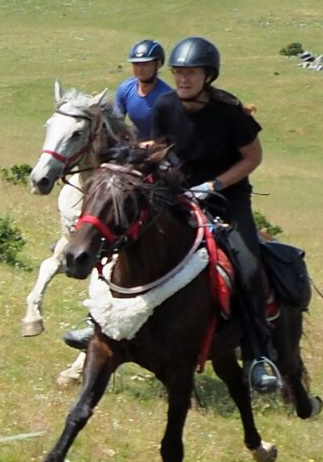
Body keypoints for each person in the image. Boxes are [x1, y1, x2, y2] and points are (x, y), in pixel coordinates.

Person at [66, 36, 281, 395]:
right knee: (125, 241)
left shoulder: (231, 114)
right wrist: (124, 151)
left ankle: (259, 354)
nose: (183, 79)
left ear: (208, 76)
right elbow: (161, 143)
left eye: (191, 73)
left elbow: (252, 158)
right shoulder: (166, 106)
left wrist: (214, 185)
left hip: (227, 198)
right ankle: (99, 322)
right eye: (179, 73)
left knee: (247, 264)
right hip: (178, 191)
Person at [113, 39, 182, 140]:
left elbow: (173, 135)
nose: (140, 69)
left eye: (145, 64)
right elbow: (116, 125)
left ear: (158, 65)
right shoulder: (125, 89)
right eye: (136, 64)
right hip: (135, 146)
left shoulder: (168, 97)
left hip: (160, 150)